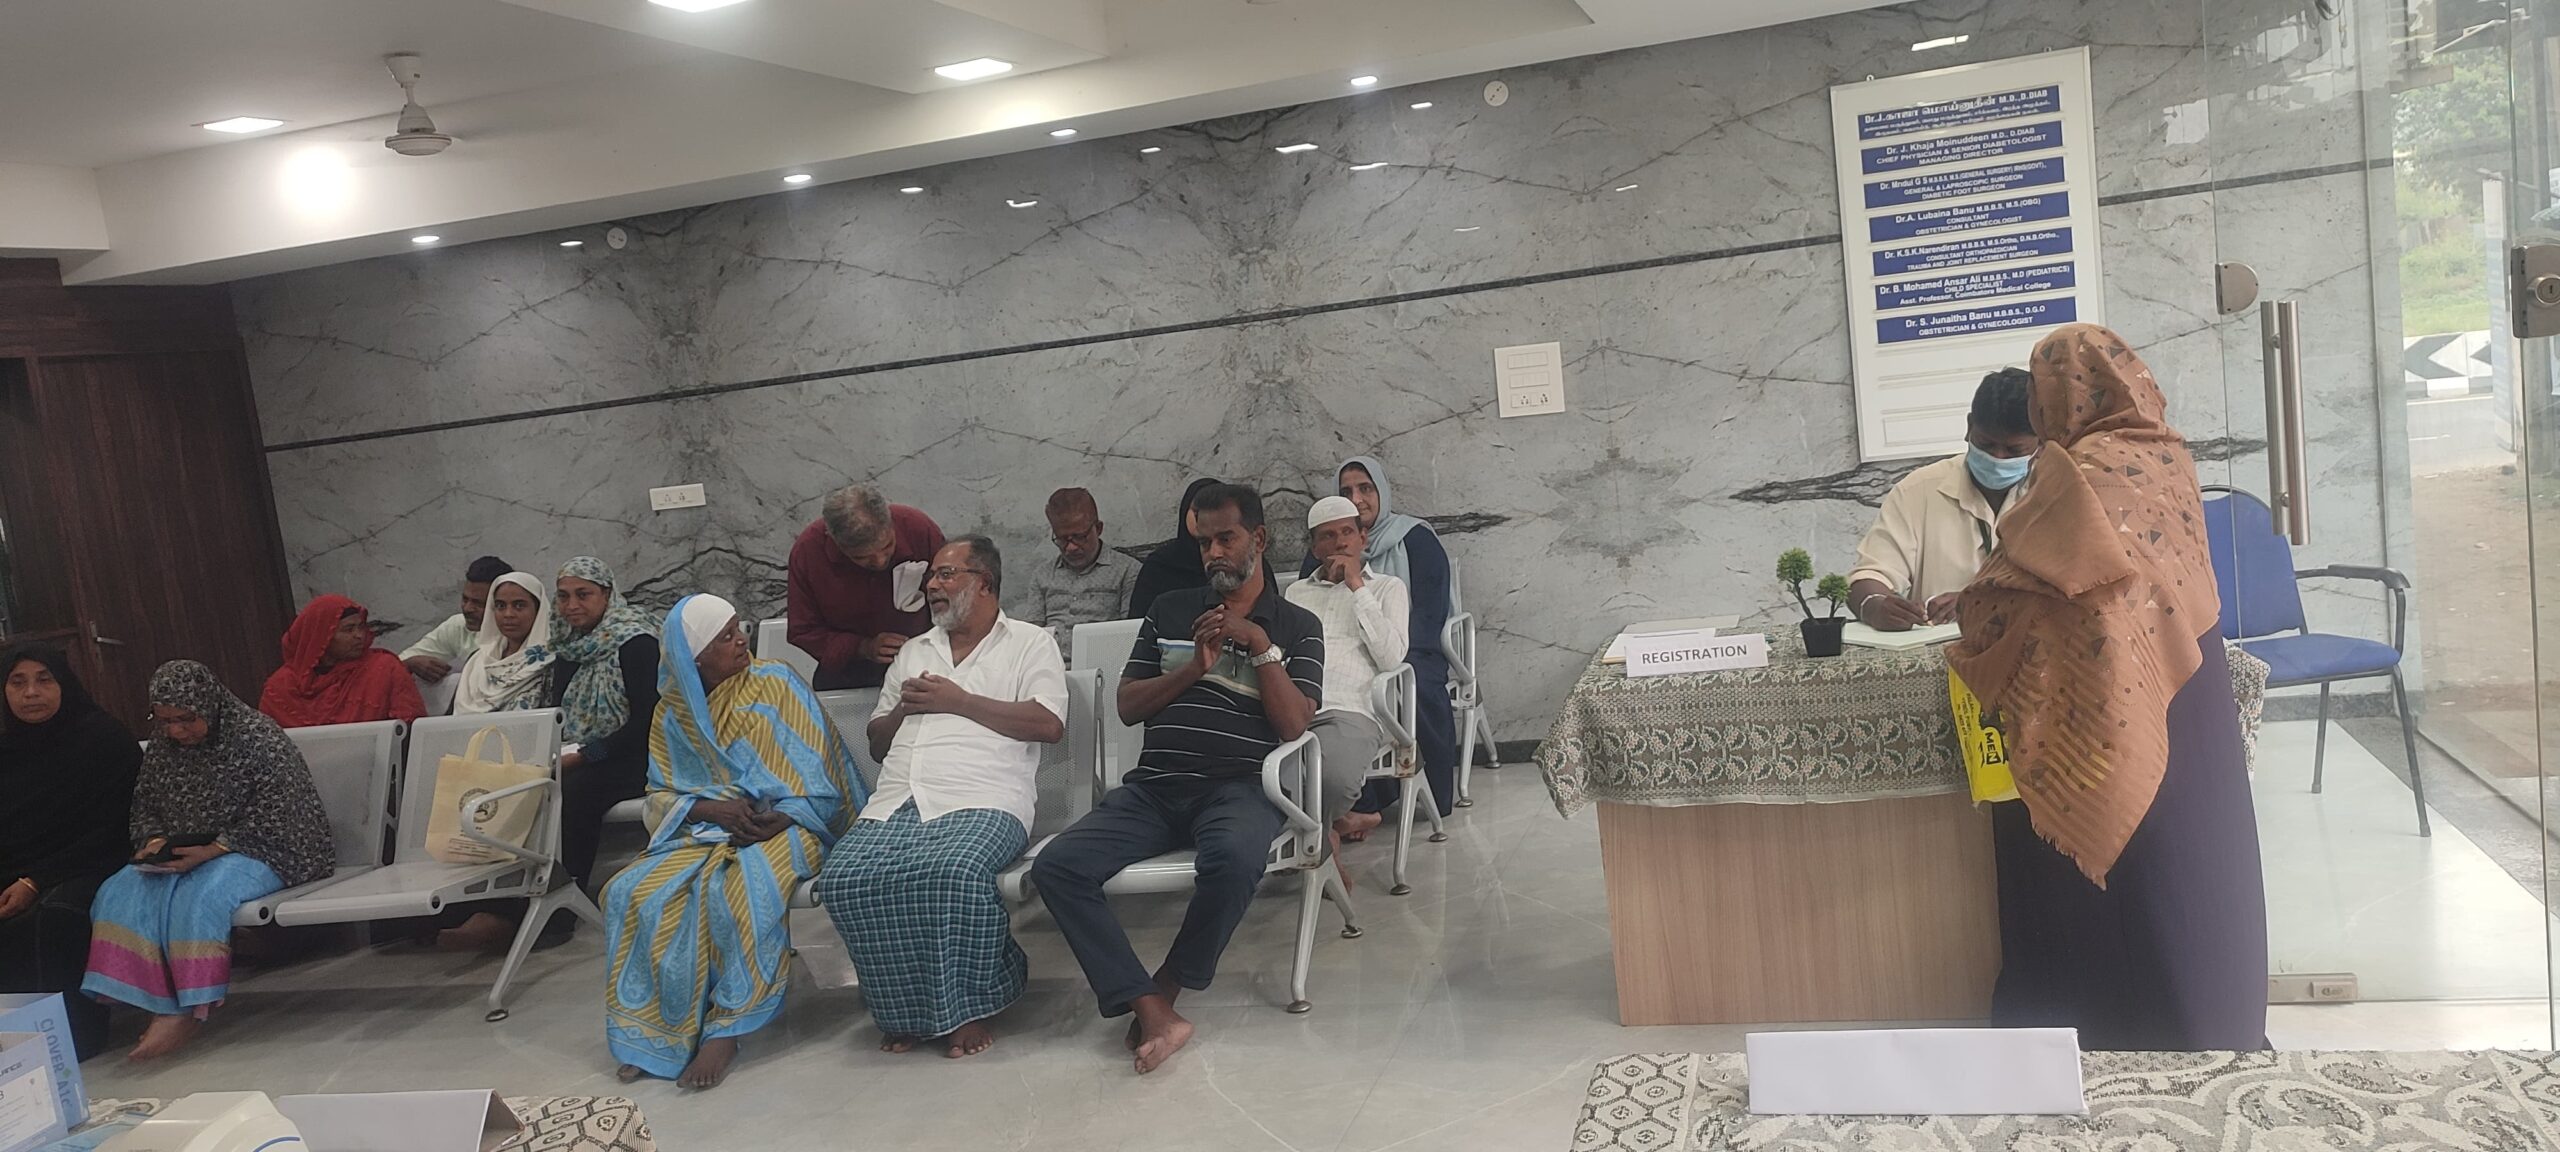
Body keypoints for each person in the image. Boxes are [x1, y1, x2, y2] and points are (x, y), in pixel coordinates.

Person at [1946, 324, 2267, 1051]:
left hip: (2098, 708)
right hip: (2184, 685)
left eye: (2039, 389)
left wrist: (1972, 609)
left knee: (2121, 881)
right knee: (2191, 867)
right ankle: (2206, 1021)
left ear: (2058, 393)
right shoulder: (2166, 456)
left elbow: (2011, 591)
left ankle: (2104, 1036)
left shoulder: (2079, 474)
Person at [1029, 484, 1323, 1075]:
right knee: (1057, 867)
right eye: (1204, 543)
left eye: (1225, 539)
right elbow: (1128, 706)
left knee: (1235, 859)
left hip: (1241, 786)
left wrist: (1260, 646)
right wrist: (1194, 667)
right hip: (1156, 787)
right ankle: (1148, 1005)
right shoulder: (1169, 609)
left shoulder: (1297, 624)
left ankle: (1168, 983)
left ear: (1259, 539)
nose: (1213, 553)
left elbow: (1295, 726)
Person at [814, 536, 1066, 1060]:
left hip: (985, 796)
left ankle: (970, 1006)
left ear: (984, 583)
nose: (932, 585)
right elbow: (878, 743)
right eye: (932, 575)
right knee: (845, 879)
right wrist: (903, 711)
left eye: (946, 574)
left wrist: (960, 701)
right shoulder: (914, 651)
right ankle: (904, 1010)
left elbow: (1048, 724)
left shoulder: (1030, 643)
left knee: (951, 872)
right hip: (897, 799)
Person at [603, 594, 861, 1089]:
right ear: (693, 658)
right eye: (725, 637)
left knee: (742, 888)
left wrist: (785, 815)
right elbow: (660, 795)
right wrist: (708, 810)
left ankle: (727, 1028)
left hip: (790, 825)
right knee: (631, 893)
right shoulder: (672, 713)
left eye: (738, 629)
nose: (741, 640)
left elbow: (820, 769)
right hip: (701, 831)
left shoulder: (776, 681)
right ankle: (653, 1033)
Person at [84, 660, 335, 1060]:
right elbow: (145, 805)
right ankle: (156, 1001)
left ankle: (190, 1008)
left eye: (186, 719)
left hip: (267, 848)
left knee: (203, 895)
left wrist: (217, 848)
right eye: (165, 720)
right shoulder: (164, 747)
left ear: (210, 704)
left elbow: (285, 810)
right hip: (190, 851)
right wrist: (154, 841)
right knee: (120, 889)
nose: (176, 731)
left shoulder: (257, 737)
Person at [440, 557, 659, 952]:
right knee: (522, 788)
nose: (572, 605)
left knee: (572, 795)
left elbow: (648, 721)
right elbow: (558, 716)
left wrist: (589, 754)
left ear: (607, 594)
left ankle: (556, 917)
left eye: (583, 595)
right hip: (580, 753)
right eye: (564, 596)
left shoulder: (636, 641)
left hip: (635, 756)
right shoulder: (567, 646)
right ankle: (499, 909)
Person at [0, 644, 140, 1059]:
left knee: (52, 917)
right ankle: (11, 1048)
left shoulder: (103, 740)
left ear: (64, 684)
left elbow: (116, 828)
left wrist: (35, 880)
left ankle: (67, 1042)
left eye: (44, 680)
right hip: (19, 869)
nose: (31, 693)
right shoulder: (6, 750)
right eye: (17, 682)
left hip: (94, 863)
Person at [1321, 456, 1455, 837]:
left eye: (1365, 488)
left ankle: (1433, 791)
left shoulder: (1415, 539)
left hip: (1414, 648)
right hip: (1351, 652)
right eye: (1346, 491)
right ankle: (1357, 805)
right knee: (1340, 693)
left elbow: (1429, 613)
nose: (1357, 499)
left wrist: (1391, 654)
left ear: (1381, 491)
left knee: (1413, 686)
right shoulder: (1327, 546)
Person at [1848, 368, 2037, 630]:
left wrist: (1982, 603)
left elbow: (2070, 592)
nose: (1998, 458)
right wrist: (1874, 605)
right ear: (1969, 427)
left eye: (2014, 450)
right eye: (1986, 444)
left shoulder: (2058, 495)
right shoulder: (1918, 491)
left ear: (2042, 442)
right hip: (1937, 650)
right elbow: (1870, 574)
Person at [1285, 496, 1408, 833]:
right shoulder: (1296, 593)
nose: (1340, 543)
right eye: (1327, 535)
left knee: (1333, 783)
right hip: (1294, 707)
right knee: (1256, 779)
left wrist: (1357, 587)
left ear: (1362, 538)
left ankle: (1323, 829)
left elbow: (1391, 658)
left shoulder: (1387, 588)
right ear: (1314, 548)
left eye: (1347, 532)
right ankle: (1337, 825)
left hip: (1351, 709)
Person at [786, 484, 946, 690]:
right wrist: (862, 647)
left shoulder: (917, 528)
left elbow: (956, 594)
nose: (880, 561)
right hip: (849, 669)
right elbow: (803, 630)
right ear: (835, 542)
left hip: (926, 658)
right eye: (861, 557)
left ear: (891, 523)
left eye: (888, 546)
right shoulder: (809, 552)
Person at [258, 594, 428, 728]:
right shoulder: (281, 687)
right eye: (348, 630)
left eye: (361, 627)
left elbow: (411, 730)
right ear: (322, 637)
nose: (359, 635)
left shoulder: (383, 668)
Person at [1026, 487, 1138, 654]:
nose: (1071, 547)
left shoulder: (1127, 571)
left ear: (1098, 529)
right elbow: (1031, 634)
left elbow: (1132, 634)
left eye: (1079, 537)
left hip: (1104, 661)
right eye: (1062, 539)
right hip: (1049, 662)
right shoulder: (1042, 575)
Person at [449, 572, 554, 716]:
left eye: (519, 605)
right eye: (500, 606)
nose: (508, 614)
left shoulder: (552, 662)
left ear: (538, 610)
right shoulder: (477, 661)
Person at [401, 555, 514, 685]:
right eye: (465, 599)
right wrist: (411, 663)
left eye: (478, 603)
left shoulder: (521, 634)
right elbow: (395, 664)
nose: (467, 608)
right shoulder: (458, 626)